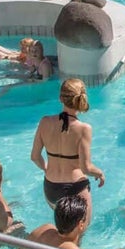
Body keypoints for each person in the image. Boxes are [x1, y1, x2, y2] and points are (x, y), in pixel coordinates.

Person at [32, 79, 105, 224]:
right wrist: (100, 174)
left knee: (62, 231)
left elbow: (35, 157)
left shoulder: (44, 122)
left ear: (61, 98)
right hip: (75, 188)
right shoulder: (84, 129)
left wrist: (46, 168)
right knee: (78, 234)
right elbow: (86, 168)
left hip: (51, 187)